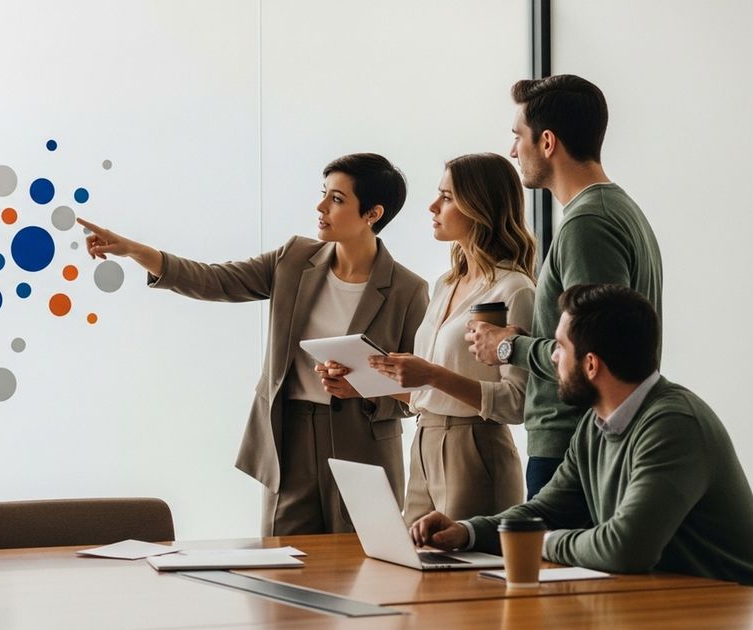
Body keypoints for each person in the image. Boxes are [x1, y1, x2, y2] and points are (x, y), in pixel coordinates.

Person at [77, 153, 429, 535]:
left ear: (372, 213)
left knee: (365, 567)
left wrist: (367, 388)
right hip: (289, 437)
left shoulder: (408, 291)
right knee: (283, 566)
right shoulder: (294, 259)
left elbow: (422, 388)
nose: (321, 207)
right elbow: (216, 280)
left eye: (337, 199)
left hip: (364, 447)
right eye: (324, 194)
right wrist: (136, 251)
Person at [412, 284, 753, 588]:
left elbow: (624, 548)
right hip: (658, 598)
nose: (553, 358)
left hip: (728, 608)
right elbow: (549, 510)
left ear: (591, 364)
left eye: (560, 348)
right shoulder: (595, 421)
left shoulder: (673, 425)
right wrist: (467, 531)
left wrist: (538, 542)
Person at [466, 75, 663, 498]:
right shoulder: (615, 210)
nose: (512, 150)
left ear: (548, 142)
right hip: (587, 447)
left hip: (573, 450)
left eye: (518, 136)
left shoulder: (587, 223)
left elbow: (594, 354)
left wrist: (506, 347)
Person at [362, 153, 535, 524]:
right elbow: (428, 389)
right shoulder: (446, 284)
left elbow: (517, 403)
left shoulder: (515, 290)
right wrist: (362, 379)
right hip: (424, 440)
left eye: (447, 196)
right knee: (415, 567)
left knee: (467, 574)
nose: (432, 206)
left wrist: (432, 375)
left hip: (475, 449)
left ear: (479, 206)